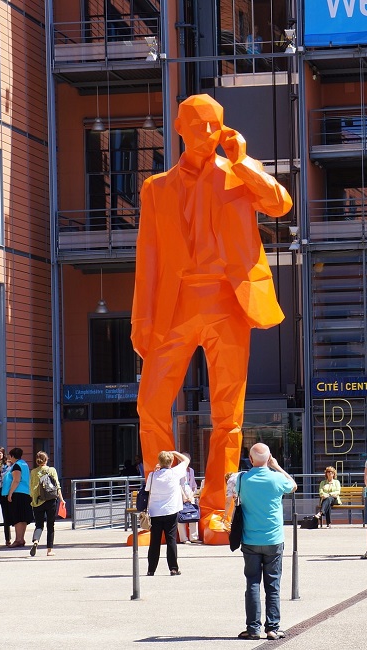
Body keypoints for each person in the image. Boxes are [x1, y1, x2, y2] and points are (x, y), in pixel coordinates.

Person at [132, 94, 293, 538]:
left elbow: (280, 203)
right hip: (174, 307)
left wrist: (242, 158)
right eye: (196, 127)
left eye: (213, 127)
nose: (205, 135)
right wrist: (140, 320)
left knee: (229, 416)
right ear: (179, 128)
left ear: (222, 130)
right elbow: (147, 258)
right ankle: (160, 511)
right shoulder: (156, 188)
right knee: (149, 405)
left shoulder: (238, 177)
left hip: (228, 304)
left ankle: (214, 511)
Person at [232, 443, 297, 640]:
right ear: (269, 458)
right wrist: (276, 466)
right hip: (273, 539)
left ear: (250, 459)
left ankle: (253, 629)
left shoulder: (241, 479)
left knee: (252, 583)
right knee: (273, 585)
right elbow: (293, 485)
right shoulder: (277, 479)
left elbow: (234, 495)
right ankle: (272, 628)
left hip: (250, 539)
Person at [145, 450, 191, 575]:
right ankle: (173, 568)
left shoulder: (152, 475)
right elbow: (186, 460)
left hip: (155, 512)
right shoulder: (175, 472)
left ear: (159, 461)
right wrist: (175, 452)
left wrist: (156, 470)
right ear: (171, 462)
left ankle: (151, 569)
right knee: (171, 540)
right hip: (171, 510)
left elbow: (147, 489)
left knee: (155, 541)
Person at [29, 451, 64, 557]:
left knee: (39, 525)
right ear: (46, 459)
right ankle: (49, 550)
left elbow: (32, 488)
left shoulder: (34, 472)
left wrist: (34, 499)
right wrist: (62, 499)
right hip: (51, 501)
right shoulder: (51, 470)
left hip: (37, 502)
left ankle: (36, 541)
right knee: (50, 525)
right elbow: (57, 486)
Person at [4, 448, 33, 547]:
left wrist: (10, 493)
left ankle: (18, 539)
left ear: (12, 456)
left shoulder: (16, 465)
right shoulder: (24, 463)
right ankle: (21, 539)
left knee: (17, 517)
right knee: (23, 517)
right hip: (25, 493)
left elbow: (16, 480)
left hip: (18, 493)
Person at [177, 465, 200, 544]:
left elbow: (193, 484)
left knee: (193, 514)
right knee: (181, 516)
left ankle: (194, 537)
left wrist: (192, 495)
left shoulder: (191, 470)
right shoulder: (178, 470)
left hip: (190, 495)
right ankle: (183, 538)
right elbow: (178, 485)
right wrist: (183, 496)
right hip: (181, 496)